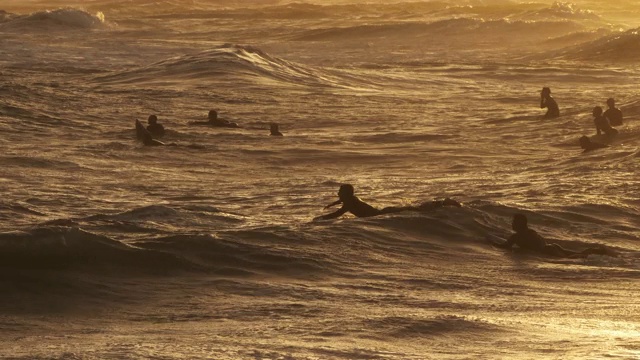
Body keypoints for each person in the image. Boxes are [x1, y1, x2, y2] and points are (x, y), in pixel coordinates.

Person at [314, 184, 461, 221]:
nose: (337, 193)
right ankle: (441, 203)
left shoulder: (350, 203)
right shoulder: (349, 199)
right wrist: (331, 204)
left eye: (340, 191)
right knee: (415, 209)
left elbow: (338, 214)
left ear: (347, 193)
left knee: (418, 210)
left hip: (381, 214)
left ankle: (443, 203)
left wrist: (320, 218)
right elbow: (340, 203)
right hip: (382, 212)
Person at [491, 214, 609, 258]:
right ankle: (598, 251)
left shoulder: (516, 236)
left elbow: (505, 247)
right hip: (552, 247)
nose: (512, 224)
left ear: (520, 224)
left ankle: (595, 252)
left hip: (549, 251)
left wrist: (487, 242)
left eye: (514, 222)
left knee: (576, 257)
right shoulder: (529, 231)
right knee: (577, 253)